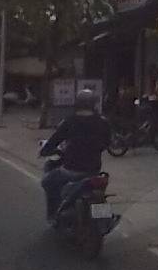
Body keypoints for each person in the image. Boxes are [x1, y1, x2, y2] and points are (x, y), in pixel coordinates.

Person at [39, 89, 112, 224]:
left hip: (72, 169)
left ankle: (53, 215)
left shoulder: (70, 121)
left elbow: (55, 140)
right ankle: (104, 217)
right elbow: (107, 143)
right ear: (93, 104)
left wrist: (45, 151)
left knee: (48, 182)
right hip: (94, 169)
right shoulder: (103, 122)